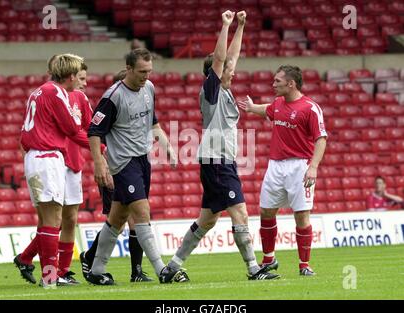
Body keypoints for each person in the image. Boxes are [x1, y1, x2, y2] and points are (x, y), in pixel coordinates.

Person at [164, 10, 279, 281]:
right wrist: (225, 25)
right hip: (216, 161)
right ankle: (253, 268)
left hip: (220, 161)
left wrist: (241, 26)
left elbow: (232, 57)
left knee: (208, 219)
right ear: (215, 73)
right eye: (227, 68)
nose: (232, 70)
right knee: (239, 210)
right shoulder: (211, 91)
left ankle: (172, 267)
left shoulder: (225, 91)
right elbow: (220, 58)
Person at [86, 48, 187, 285]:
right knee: (142, 212)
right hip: (123, 162)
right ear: (129, 68)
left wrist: (168, 147)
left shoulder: (149, 89)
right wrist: (99, 164)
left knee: (118, 217)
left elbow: (153, 122)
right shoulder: (113, 97)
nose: (146, 76)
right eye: (142, 71)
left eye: (149, 71)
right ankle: (162, 269)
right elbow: (94, 131)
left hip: (143, 159)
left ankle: (97, 270)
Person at [238, 65, 328, 276]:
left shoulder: (310, 108)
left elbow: (321, 139)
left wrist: (313, 167)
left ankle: (304, 265)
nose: (273, 84)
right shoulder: (278, 103)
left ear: (291, 84)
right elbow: (268, 109)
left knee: (301, 216)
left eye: (277, 81)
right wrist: (252, 108)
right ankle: (269, 259)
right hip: (275, 165)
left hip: (300, 165)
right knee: (266, 212)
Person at [80, 69, 153, 283]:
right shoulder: (113, 106)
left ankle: (135, 270)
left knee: (128, 219)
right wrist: (102, 163)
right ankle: (129, 269)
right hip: (116, 168)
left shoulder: (133, 106)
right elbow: (95, 134)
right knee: (123, 220)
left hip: (130, 168)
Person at [17, 53, 84, 287]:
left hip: (34, 158)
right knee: (54, 218)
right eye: (79, 76)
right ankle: (50, 277)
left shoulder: (38, 91)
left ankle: (48, 275)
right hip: (48, 158)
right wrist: (99, 146)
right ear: (71, 75)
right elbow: (71, 128)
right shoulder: (57, 92)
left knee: (48, 219)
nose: (80, 81)